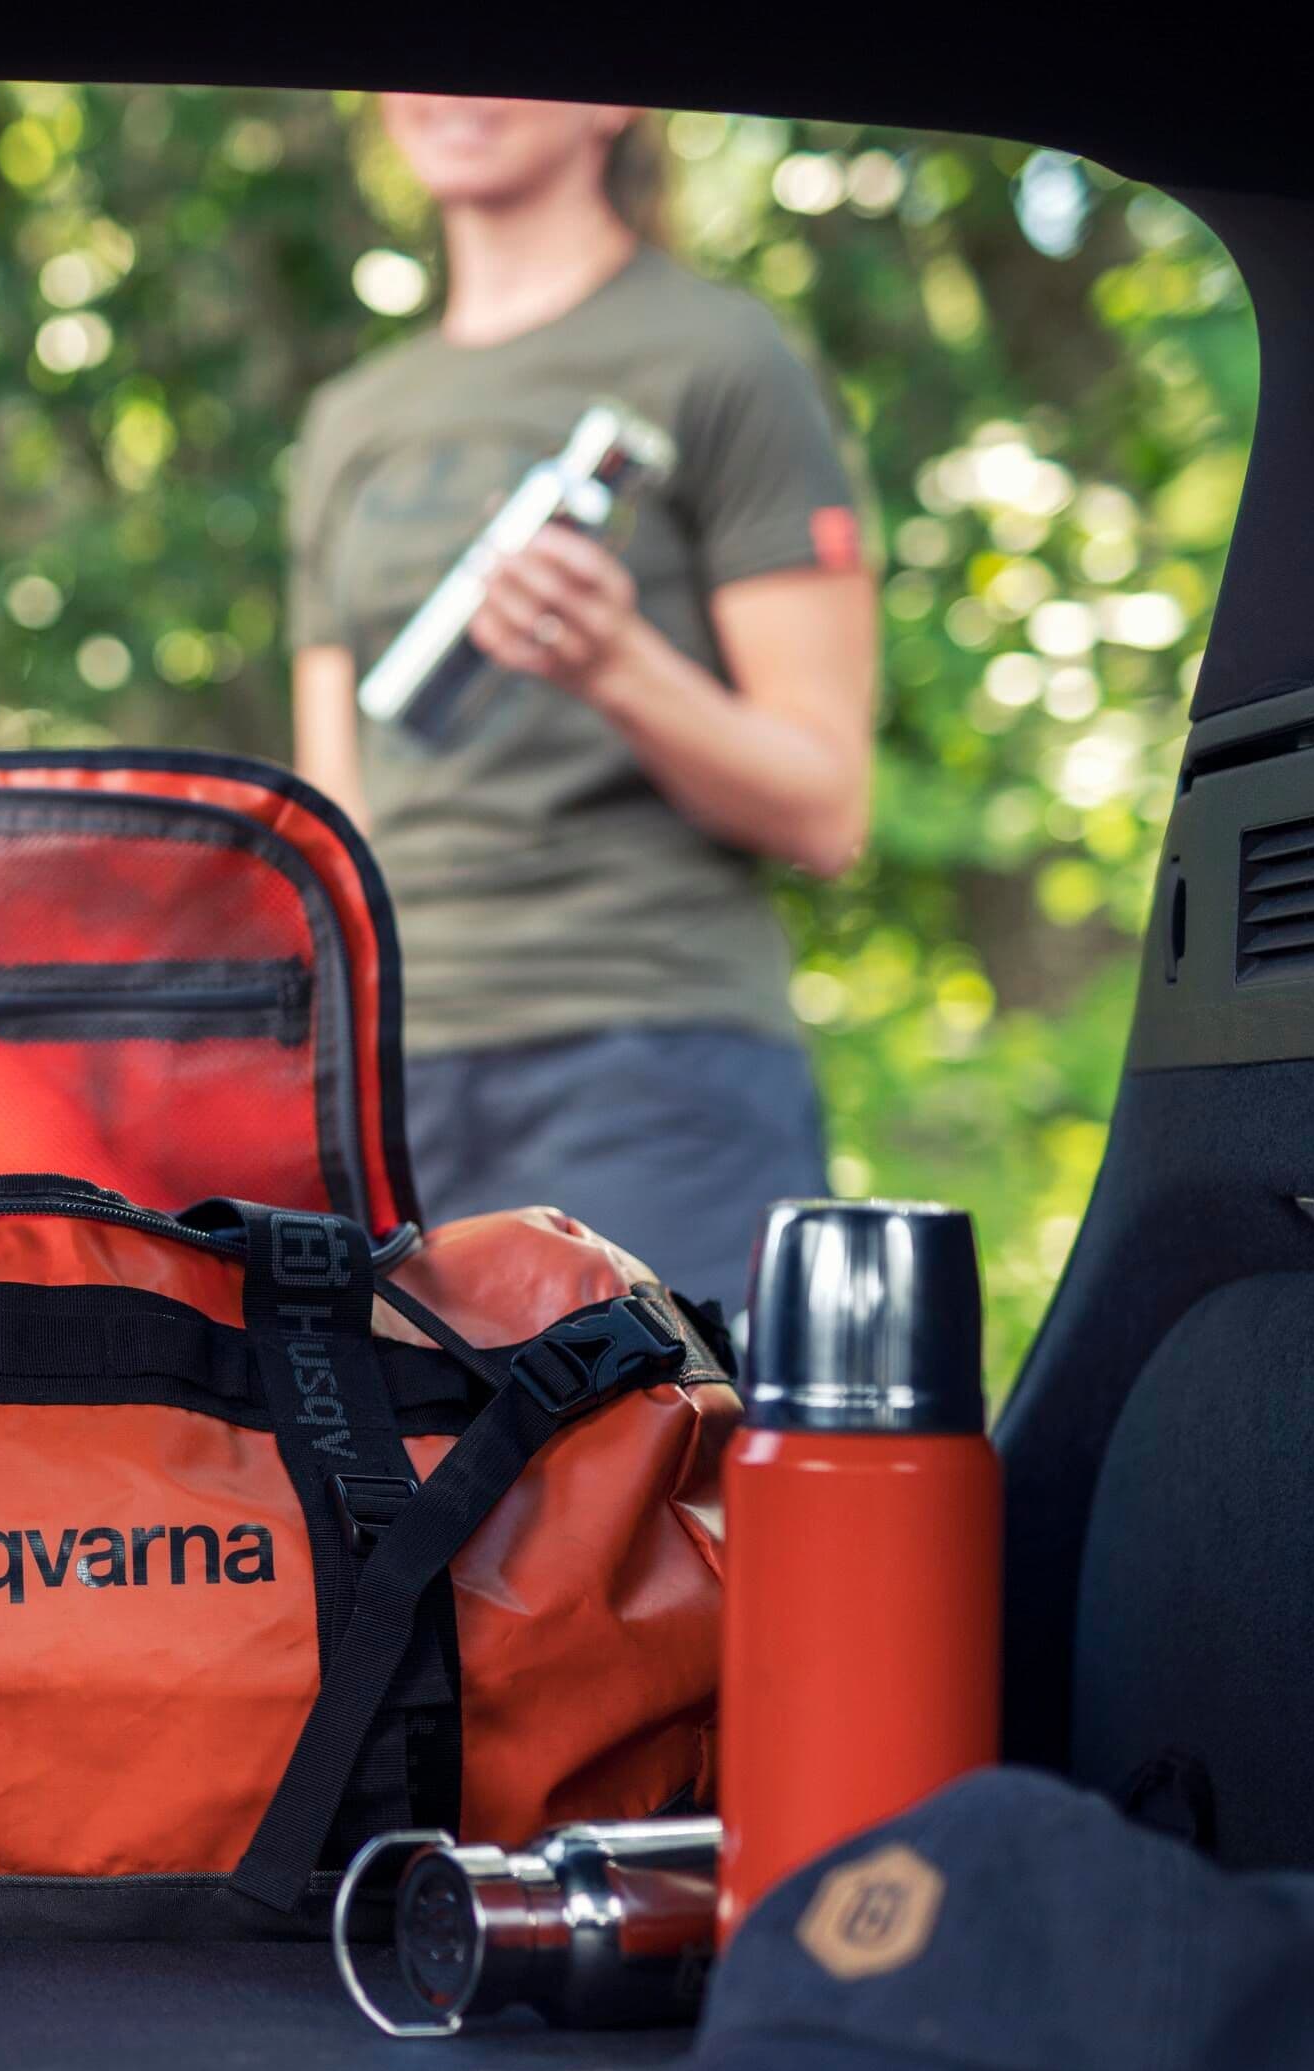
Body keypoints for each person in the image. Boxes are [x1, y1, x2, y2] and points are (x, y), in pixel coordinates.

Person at [290, 96, 877, 1307]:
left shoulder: (720, 358)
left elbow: (824, 807)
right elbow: (329, 819)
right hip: (393, 1089)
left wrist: (615, 660)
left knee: (670, 1493)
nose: (450, 86)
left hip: (652, 1063)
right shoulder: (349, 420)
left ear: (608, 93)